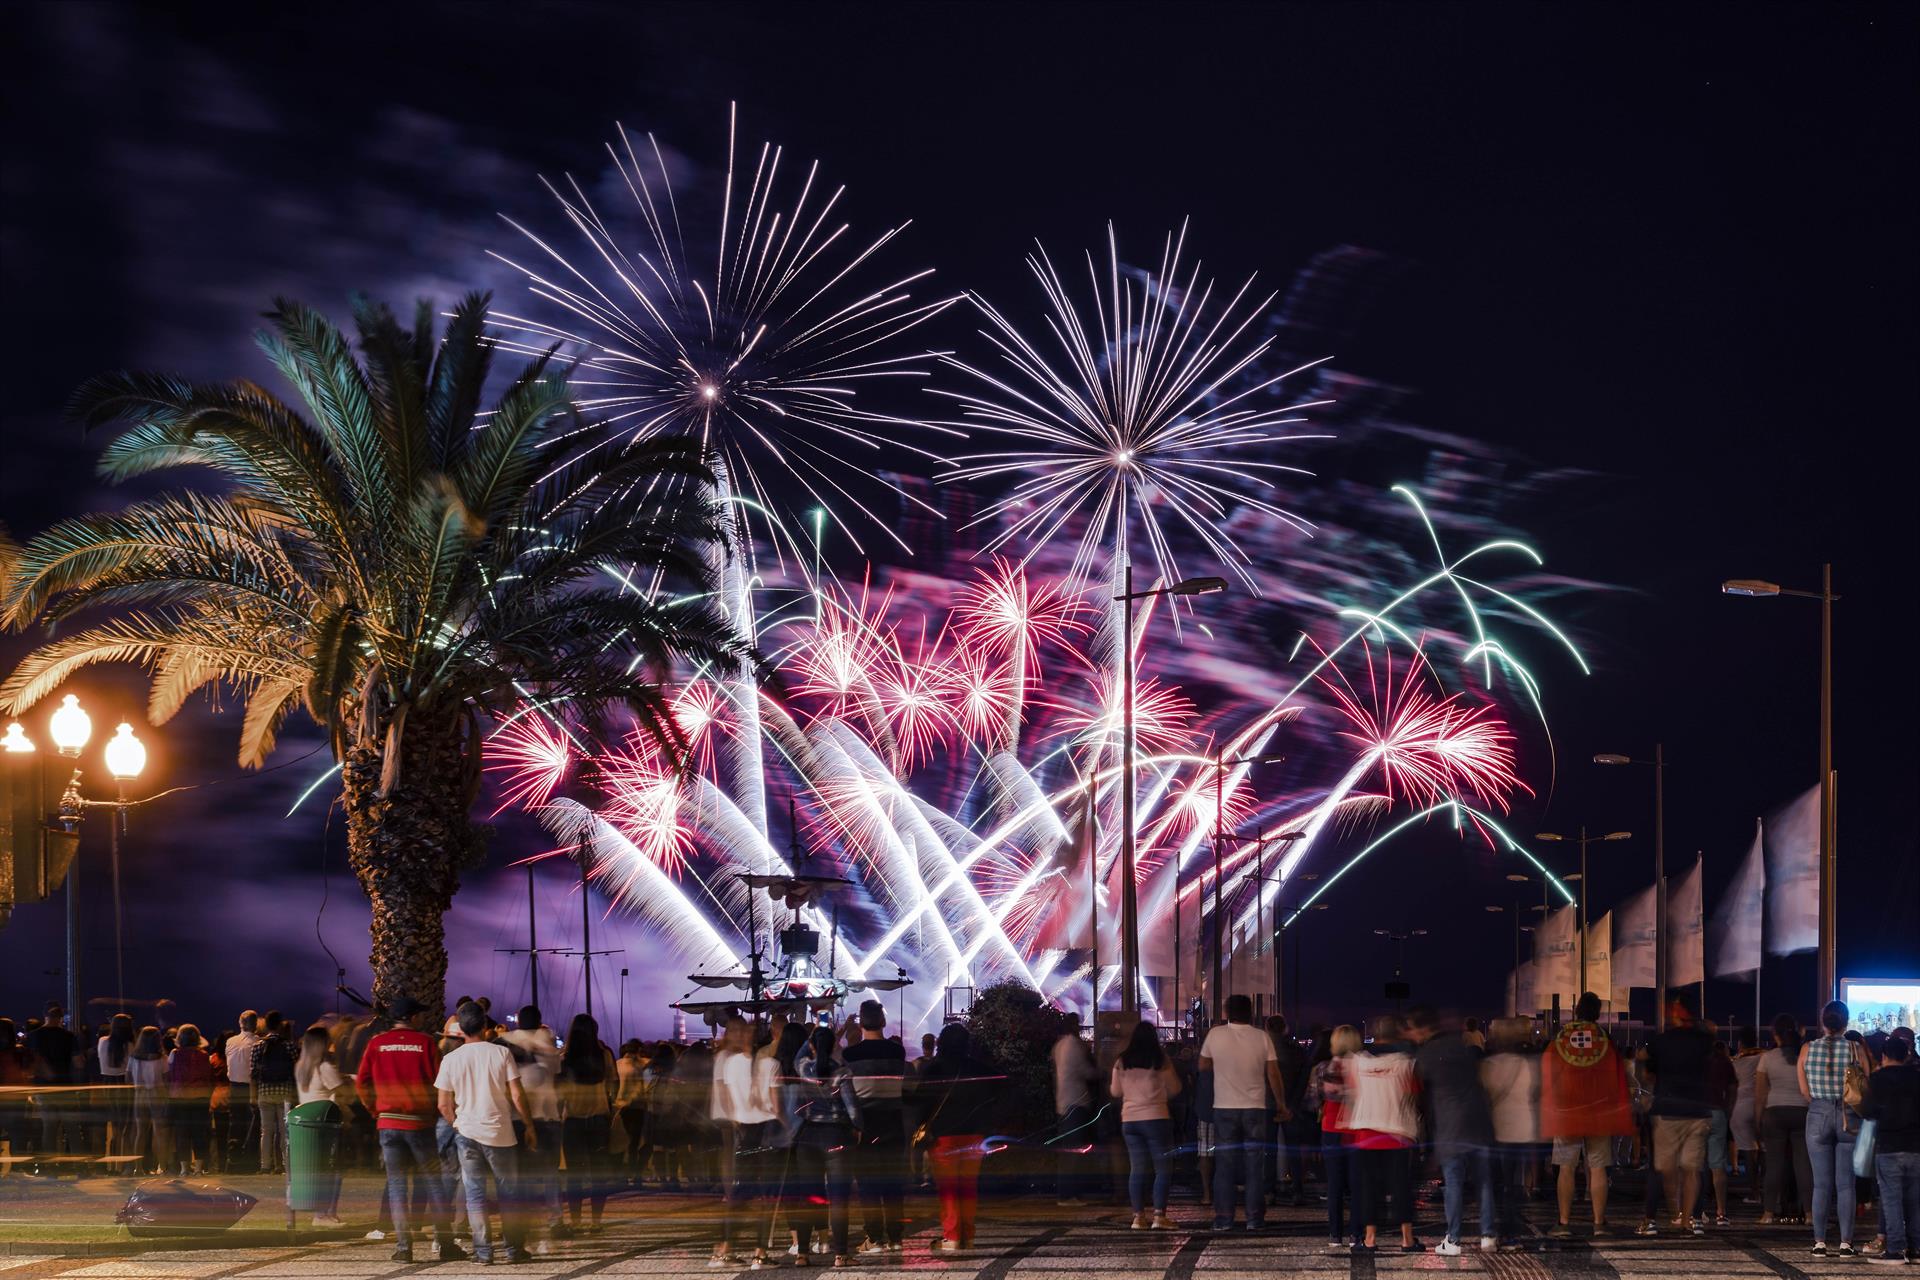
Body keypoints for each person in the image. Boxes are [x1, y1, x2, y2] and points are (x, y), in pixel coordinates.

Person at [360, 996, 462, 1264]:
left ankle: (404, 1248)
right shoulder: (426, 1043)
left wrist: (376, 1110)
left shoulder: (376, 1044)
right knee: (434, 1183)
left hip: (388, 1123)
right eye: (420, 1015)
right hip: (420, 1124)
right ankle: (447, 1243)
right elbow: (441, 1082)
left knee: (396, 1186)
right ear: (413, 1017)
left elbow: (362, 1082)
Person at [436, 1001, 536, 1266]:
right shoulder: (501, 1054)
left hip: (467, 1132)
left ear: (461, 1028)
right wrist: (529, 1125)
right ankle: (514, 1249)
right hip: (499, 1132)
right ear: (484, 1025)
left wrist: (456, 1123)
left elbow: (443, 1104)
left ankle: (483, 1252)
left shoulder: (450, 1059)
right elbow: (517, 1094)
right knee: (509, 1192)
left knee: (475, 1194)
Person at [1539, 992, 1632, 1236]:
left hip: (1568, 1112)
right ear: (1598, 1013)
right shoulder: (1605, 1038)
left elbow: (1548, 1070)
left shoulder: (1561, 1037)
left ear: (1577, 1010)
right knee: (1599, 1167)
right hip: (1599, 1112)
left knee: (1566, 1167)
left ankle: (1563, 1223)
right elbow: (1616, 1073)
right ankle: (1599, 1223)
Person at [1409, 1006, 1495, 1255]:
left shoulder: (1427, 1054)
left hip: (1451, 1128)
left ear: (1423, 1029)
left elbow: (1419, 1094)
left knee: (1454, 1183)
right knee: (1484, 1182)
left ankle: (1454, 1240)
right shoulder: (1463, 1046)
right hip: (1479, 1123)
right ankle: (1488, 1236)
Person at [1200, 993, 1286, 1232]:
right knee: (1254, 1165)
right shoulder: (1262, 1037)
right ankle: (1254, 1218)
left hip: (1224, 1107)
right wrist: (1281, 1103)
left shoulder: (1215, 1034)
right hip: (1255, 1107)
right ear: (1251, 1012)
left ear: (1227, 1012)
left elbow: (1203, 1065)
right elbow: (1274, 1074)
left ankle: (1224, 1219)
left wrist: (1224, 1065)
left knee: (1225, 1165)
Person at [913, 1022, 996, 1252]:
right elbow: (995, 1097)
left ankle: (952, 1235)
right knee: (968, 1188)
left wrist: (919, 1130)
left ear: (941, 1042)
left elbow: (921, 1103)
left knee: (948, 1188)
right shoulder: (978, 1068)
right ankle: (968, 1235)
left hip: (943, 1137)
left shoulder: (934, 1069)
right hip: (974, 1136)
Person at [1801, 999, 1873, 1256]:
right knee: (1846, 1185)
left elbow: (1804, 1091)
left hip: (1818, 1113)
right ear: (1845, 1022)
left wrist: (1821, 1104)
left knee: (1821, 1184)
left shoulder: (1807, 1049)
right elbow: (1867, 1084)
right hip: (1848, 1115)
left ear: (1824, 1021)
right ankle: (1845, 1243)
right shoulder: (1855, 1049)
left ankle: (1819, 1242)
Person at [1344, 1013, 1421, 1252]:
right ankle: (1407, 1239)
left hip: (1366, 1133)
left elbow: (1353, 1095)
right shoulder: (1405, 1063)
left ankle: (1370, 1238)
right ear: (1397, 1034)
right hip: (1397, 1133)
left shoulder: (1357, 1062)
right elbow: (1413, 1095)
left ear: (1373, 1035)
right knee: (1401, 1187)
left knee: (1369, 1188)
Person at [1644, 994, 1716, 1235]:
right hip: (1698, 1109)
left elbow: (1649, 1073)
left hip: (1668, 1110)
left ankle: (1679, 1215)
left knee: (1668, 1167)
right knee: (1692, 1169)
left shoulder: (1660, 1042)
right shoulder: (1705, 1040)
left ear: (1677, 1012)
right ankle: (1687, 1219)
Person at [842, 1000, 908, 1254]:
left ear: (860, 1021)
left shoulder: (850, 1055)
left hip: (865, 1124)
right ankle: (895, 1237)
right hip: (894, 1121)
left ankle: (875, 1237)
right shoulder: (897, 1052)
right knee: (894, 1183)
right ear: (882, 1021)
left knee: (868, 1184)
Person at [1111, 1019, 1182, 1231]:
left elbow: (1115, 1092)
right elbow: (1175, 1088)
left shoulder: (1121, 1061)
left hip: (1130, 1120)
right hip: (1156, 1118)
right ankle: (1159, 1216)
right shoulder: (1160, 1059)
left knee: (1137, 1169)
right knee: (1162, 1169)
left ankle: (1138, 1217)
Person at [501, 1006, 564, 1240]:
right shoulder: (548, 1043)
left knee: (519, 1173)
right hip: (547, 1115)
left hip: (518, 1116)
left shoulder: (505, 1040)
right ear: (539, 1022)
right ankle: (555, 1220)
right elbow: (555, 1073)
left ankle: (521, 1221)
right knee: (549, 1172)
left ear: (517, 1021)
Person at [556, 1014, 618, 1235]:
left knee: (574, 1175)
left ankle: (575, 1221)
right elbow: (613, 1083)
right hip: (599, 1119)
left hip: (572, 1120)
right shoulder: (604, 1055)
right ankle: (596, 1221)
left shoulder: (564, 1058)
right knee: (598, 1173)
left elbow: (558, 1092)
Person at [1861, 1034, 1920, 1266]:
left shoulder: (1877, 1079)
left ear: (1884, 1056)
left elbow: (1867, 1110)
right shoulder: (1917, 1078)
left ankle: (1895, 1249)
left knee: (1891, 1198)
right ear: (1907, 1055)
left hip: (1888, 1146)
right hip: (1916, 1146)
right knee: (1915, 1200)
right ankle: (1916, 1248)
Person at [1481, 1016, 1539, 1245]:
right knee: (1513, 1182)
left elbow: (1484, 1096)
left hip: (1497, 1129)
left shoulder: (1490, 1065)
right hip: (1522, 1129)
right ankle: (1511, 1231)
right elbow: (1535, 1093)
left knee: (1494, 1181)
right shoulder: (1527, 1063)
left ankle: (1493, 1229)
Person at [1308, 1024, 1364, 1251]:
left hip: (1331, 1128)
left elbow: (1312, 1100)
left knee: (1334, 1185)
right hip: (1357, 1128)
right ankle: (1357, 1235)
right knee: (1358, 1184)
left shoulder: (1322, 1068)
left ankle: (1335, 1234)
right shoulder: (1363, 1067)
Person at [290, 1025, 347, 1226]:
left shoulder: (301, 1067)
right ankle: (324, 1214)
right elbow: (342, 1091)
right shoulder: (324, 1067)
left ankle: (321, 1213)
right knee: (333, 1169)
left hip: (307, 1122)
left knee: (317, 1168)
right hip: (327, 1122)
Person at [1759, 1013, 1812, 1224]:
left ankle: (1768, 1213)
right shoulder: (1805, 1055)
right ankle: (1809, 1213)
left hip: (1775, 1112)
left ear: (1776, 1035)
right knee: (1804, 1165)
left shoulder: (1768, 1058)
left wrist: (1757, 1119)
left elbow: (1760, 1094)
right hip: (1802, 1111)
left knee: (1773, 1165)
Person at [1050, 1012, 1097, 1207]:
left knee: (1067, 1152)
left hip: (1062, 1103)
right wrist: (1102, 1071)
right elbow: (1086, 1072)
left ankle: (1066, 1193)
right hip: (1076, 1103)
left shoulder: (1058, 1046)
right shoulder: (1075, 1046)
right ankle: (1069, 1195)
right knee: (1075, 1152)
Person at [26, 1003, 79, 1173]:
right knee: (71, 1128)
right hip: (65, 1086)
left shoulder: (33, 1036)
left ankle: (49, 1166)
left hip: (44, 1087)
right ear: (60, 1018)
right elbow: (78, 1061)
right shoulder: (69, 1036)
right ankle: (79, 1165)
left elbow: (30, 1063)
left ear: (44, 1016)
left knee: (49, 1128)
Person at [251, 1011, 297, 1176]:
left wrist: (252, 1096)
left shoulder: (258, 1046)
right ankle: (286, 1165)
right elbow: (295, 1070)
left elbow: (253, 1074)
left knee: (266, 1131)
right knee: (284, 1131)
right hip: (284, 1092)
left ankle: (265, 1165)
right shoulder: (288, 1045)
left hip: (264, 1093)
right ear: (279, 1025)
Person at [165, 1024, 214, 1176]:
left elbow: (169, 1074)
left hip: (180, 1097)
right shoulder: (204, 1055)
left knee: (182, 1133)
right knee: (200, 1133)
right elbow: (208, 1077)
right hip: (200, 1097)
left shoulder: (174, 1053)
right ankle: (198, 1169)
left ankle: (185, 1169)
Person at [1706, 1031, 1739, 1227]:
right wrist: (1728, 1109)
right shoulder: (1723, 1061)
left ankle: (1693, 1211)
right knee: (1718, 1164)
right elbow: (1733, 1087)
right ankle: (1721, 1211)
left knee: (1693, 1165)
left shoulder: (1693, 1058)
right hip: (1718, 1112)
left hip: (1695, 1113)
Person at [127, 1025, 167, 1173]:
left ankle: (138, 1168)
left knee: (140, 1132)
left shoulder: (134, 1058)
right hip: (157, 1093)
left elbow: (128, 1078)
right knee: (158, 1131)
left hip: (140, 1095)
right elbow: (166, 1077)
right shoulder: (161, 1058)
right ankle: (161, 1167)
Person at [224, 1011, 261, 1172]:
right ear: (255, 1024)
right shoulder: (258, 1042)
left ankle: (233, 1158)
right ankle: (250, 1160)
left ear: (240, 1023)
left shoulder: (230, 1041)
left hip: (234, 1086)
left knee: (235, 1124)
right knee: (253, 1125)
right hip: (251, 1087)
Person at [1730, 1025, 1763, 1206]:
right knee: (1765, 1151)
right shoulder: (1764, 1058)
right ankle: (1769, 1191)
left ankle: (1754, 1192)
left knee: (1749, 1152)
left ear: (1740, 1043)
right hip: (1763, 1106)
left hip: (1741, 1107)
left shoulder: (1736, 1062)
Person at [98, 1013, 134, 1158]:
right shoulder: (130, 1045)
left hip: (107, 1082)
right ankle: (125, 1160)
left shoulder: (102, 1041)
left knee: (114, 1124)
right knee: (126, 1123)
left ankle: (114, 1161)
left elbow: (101, 1059)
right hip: (124, 1082)